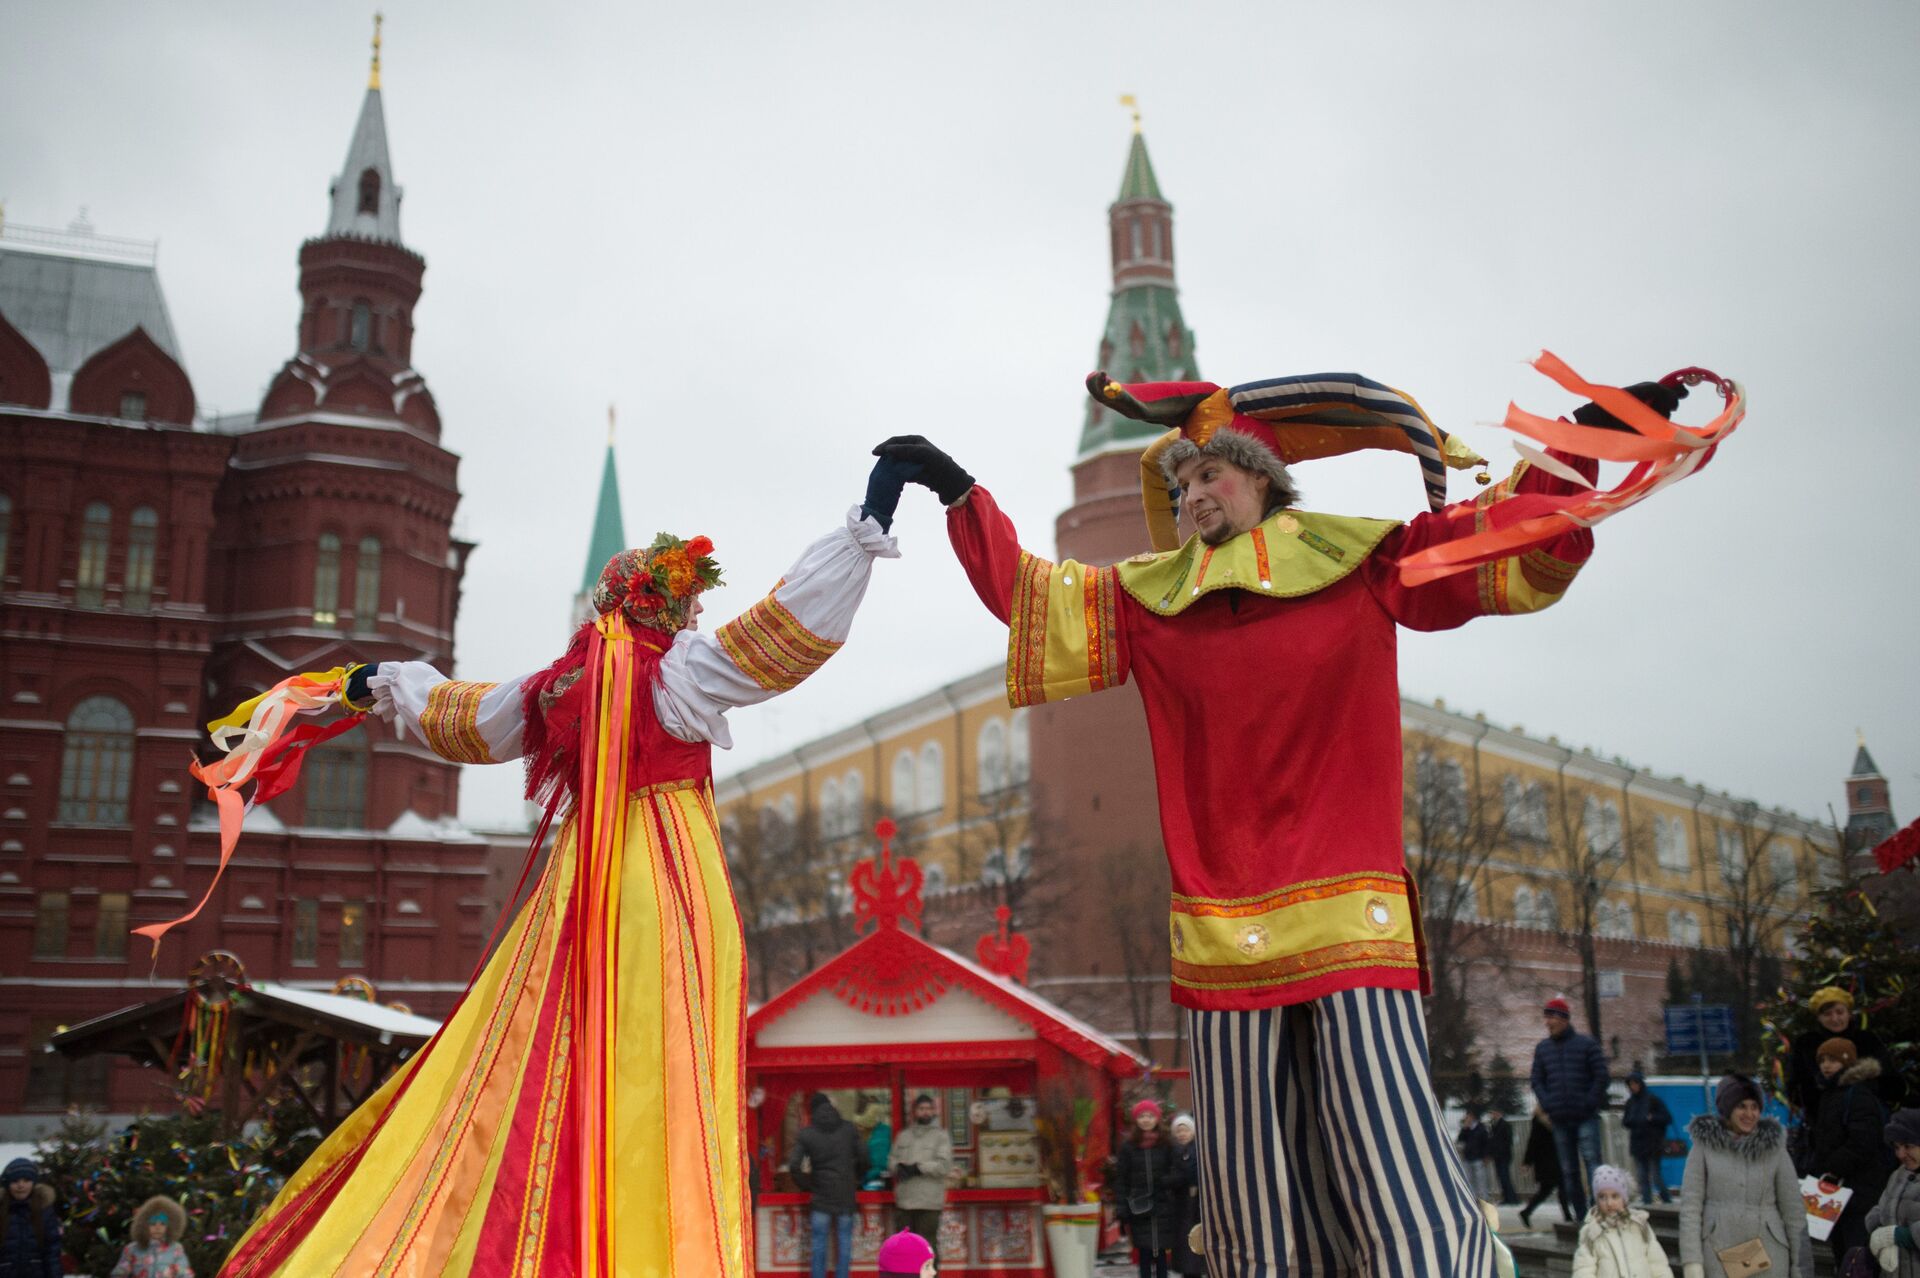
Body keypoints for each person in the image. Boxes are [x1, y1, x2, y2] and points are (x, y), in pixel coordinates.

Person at [880, 361, 1707, 1276]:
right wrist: (962, 496)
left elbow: (1490, 538)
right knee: (1244, 1182)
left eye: (1209, 474)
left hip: (1351, 918)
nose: (1191, 493)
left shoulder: (1362, 560)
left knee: (1386, 1145)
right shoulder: (1153, 601)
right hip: (1220, 931)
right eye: (1182, 480)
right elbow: (1034, 599)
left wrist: (1587, 439)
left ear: (1264, 479)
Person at [216, 465, 908, 1276]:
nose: (695, 616)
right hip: (669, 886)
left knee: (538, 1052)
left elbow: (464, 718)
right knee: (666, 1064)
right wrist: (868, 522)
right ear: (669, 606)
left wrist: (373, 683)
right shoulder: (679, 673)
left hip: (584, 881)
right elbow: (781, 636)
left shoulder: (559, 687)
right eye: (688, 605)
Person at [1678, 1074, 1806, 1278]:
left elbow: (1794, 1212)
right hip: (1718, 1251)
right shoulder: (1704, 1147)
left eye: (1754, 1107)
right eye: (1741, 1107)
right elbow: (1690, 1208)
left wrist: (1801, 1266)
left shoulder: (1774, 1148)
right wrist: (1692, 1262)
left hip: (1770, 1252)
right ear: (1728, 1110)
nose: (1749, 1114)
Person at [1806, 1038, 1895, 1264]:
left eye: (1833, 1060)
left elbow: (1863, 1141)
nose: (1826, 1065)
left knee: (1856, 1256)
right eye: (1822, 1060)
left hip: (1857, 1191)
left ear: (1847, 1061)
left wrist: (1830, 1168)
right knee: (1843, 1255)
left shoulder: (1856, 1094)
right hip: (1839, 1192)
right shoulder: (1832, 1092)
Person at [1534, 995, 1611, 1220]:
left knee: (1593, 1164)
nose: (1547, 1023)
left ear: (1564, 1018)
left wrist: (1589, 1102)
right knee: (1569, 1171)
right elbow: (1537, 1080)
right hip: (1560, 1118)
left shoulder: (1586, 1044)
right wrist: (1548, 1104)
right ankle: (1581, 1216)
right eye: (1546, 1018)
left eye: (1551, 1018)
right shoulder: (1543, 1049)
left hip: (1585, 1116)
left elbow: (1601, 1076)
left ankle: (1600, 1213)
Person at [791, 1092, 870, 1278]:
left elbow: (794, 1166)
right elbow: (865, 1158)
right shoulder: (849, 1129)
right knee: (844, 1245)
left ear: (811, 1111)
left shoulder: (807, 1133)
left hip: (820, 1198)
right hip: (846, 1197)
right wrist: (855, 1179)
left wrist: (807, 1185)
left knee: (818, 1247)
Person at [1787, 986, 1896, 1116]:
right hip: (1822, 1119)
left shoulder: (1867, 1040)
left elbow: (1891, 1081)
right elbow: (1796, 1085)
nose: (1835, 1019)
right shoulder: (1806, 1043)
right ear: (1818, 1018)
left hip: (1866, 1116)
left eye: (1840, 1012)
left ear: (1849, 1014)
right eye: (1827, 1014)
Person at [1110, 1100, 1180, 1278]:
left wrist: (1166, 1182)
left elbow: (1178, 1172)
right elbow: (1121, 1179)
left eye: (1150, 1116)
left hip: (1163, 1205)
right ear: (1136, 1120)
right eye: (1142, 1116)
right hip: (1138, 1208)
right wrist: (1121, 1207)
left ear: (1157, 1118)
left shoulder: (1167, 1144)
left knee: (1162, 1252)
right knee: (1145, 1252)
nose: (1146, 1120)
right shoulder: (1128, 1147)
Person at [1571, 1165, 1674, 1278]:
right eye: (1602, 1197)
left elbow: (1658, 1264)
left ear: (1624, 1198)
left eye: (1615, 1196)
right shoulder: (1591, 1232)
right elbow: (1583, 1270)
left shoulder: (1639, 1225)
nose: (1609, 1203)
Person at [888, 1093, 953, 1253]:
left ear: (934, 1111)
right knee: (904, 1249)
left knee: (927, 1247)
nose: (925, 1112)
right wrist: (898, 1168)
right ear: (915, 1112)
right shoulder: (904, 1136)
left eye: (928, 1109)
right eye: (921, 1109)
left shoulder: (940, 1136)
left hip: (929, 1202)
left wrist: (918, 1167)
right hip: (905, 1201)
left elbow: (944, 1166)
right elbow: (891, 1160)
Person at [1864, 1107, 1920, 1276]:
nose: (1901, 1154)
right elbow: (1880, 1210)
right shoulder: (1899, 1175)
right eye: (1896, 1147)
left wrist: (1898, 1235)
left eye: (1908, 1146)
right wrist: (1878, 1235)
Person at [1, 1157, 60, 1278]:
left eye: (26, 1180)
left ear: (33, 1182)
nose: (21, 1185)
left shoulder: (44, 1210)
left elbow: (52, 1251)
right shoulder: (2, 1209)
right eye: (15, 1181)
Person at [1623, 1073, 1676, 1205]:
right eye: (1631, 1085)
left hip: (1653, 1144)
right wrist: (1633, 1120)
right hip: (1638, 1144)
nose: (1633, 1087)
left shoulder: (1652, 1100)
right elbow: (1625, 1121)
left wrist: (1652, 1118)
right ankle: (1648, 1205)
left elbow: (1667, 1118)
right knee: (1642, 1178)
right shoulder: (1630, 1103)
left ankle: (1667, 1200)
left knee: (1656, 1176)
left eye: (1635, 1084)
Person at [111, 1196, 193, 1278]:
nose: (158, 1227)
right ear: (144, 1226)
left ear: (169, 1226)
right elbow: (119, 1273)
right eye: (153, 1224)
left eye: (162, 1224)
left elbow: (185, 1273)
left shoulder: (176, 1249)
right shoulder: (132, 1249)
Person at [1167, 1114, 1205, 1276]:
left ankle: (1197, 1269)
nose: (1182, 1134)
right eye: (1179, 1131)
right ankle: (1185, 1270)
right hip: (1179, 1204)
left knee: (1196, 1238)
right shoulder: (1172, 1152)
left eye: (1186, 1130)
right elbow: (1169, 1176)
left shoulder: (1199, 1151)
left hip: (1197, 1205)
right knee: (1182, 1241)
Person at [1520, 1108, 1571, 1230]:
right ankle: (1567, 1216)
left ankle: (1527, 1211)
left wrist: (1527, 1162)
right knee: (1559, 1187)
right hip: (1548, 1161)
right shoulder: (1540, 1122)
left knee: (1546, 1190)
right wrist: (1527, 1162)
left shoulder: (1547, 1120)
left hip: (1551, 1160)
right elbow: (1532, 1142)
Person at [1459, 1109, 1494, 1201]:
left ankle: (1484, 1198)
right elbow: (1460, 1139)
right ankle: (1473, 1198)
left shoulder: (1481, 1128)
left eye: (1469, 1116)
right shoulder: (1467, 1129)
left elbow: (1486, 1143)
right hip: (1468, 1157)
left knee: (1481, 1179)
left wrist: (1486, 1156)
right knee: (1469, 1179)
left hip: (1478, 1157)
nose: (1467, 1118)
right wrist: (1464, 1128)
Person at [1487, 1109, 1519, 1205]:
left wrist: (1501, 1150)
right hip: (1498, 1155)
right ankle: (1507, 1197)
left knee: (1505, 1176)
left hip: (1503, 1155)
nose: (1492, 1115)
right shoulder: (1494, 1125)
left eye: (1493, 1113)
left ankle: (1511, 1198)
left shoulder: (1504, 1125)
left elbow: (1508, 1140)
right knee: (1501, 1177)